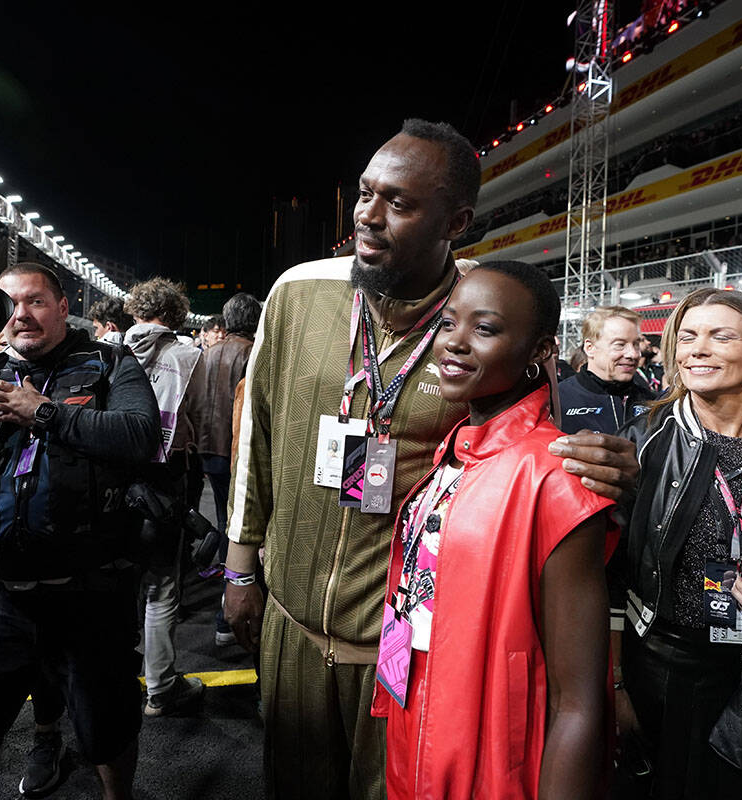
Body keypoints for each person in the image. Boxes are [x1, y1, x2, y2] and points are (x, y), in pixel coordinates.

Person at [224, 119, 639, 799]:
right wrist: (240, 566)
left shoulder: (490, 310)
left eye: (400, 203)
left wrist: (612, 463)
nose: (369, 216)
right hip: (291, 625)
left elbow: (544, 447)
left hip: (407, 648)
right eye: (365, 194)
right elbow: (257, 437)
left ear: (459, 221)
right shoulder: (298, 292)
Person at [371, 261, 612, 799]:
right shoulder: (452, 451)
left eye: (484, 329)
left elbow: (579, 699)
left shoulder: (555, 476)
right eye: (449, 323)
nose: (454, 343)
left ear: (537, 351)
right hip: (415, 723)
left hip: (493, 761)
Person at [0, 262, 161, 800]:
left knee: (107, 725)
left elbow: (140, 435)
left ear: (62, 308)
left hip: (91, 589)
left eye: (35, 301)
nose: (22, 315)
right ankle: (45, 742)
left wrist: (45, 413)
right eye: (11, 306)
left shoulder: (109, 361)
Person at [617, 287, 742, 799]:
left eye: (719, 336)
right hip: (663, 670)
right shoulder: (642, 441)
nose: (697, 350)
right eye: (686, 337)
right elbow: (607, 574)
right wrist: (614, 682)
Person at [122, 278, 208, 716]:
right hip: (166, 476)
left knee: (118, 584)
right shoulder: (190, 356)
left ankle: (113, 681)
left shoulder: (110, 351)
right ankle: (160, 687)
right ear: (175, 314)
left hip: (114, 475)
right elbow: (200, 419)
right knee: (161, 586)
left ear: (136, 311)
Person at [198, 292, 260, 646]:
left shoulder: (208, 354)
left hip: (209, 450)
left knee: (226, 521)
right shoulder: (253, 353)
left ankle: (226, 613)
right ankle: (229, 616)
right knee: (236, 528)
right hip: (237, 452)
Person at [558, 305, 656, 436]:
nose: (633, 354)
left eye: (636, 344)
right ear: (590, 348)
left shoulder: (652, 402)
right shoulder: (558, 400)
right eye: (620, 345)